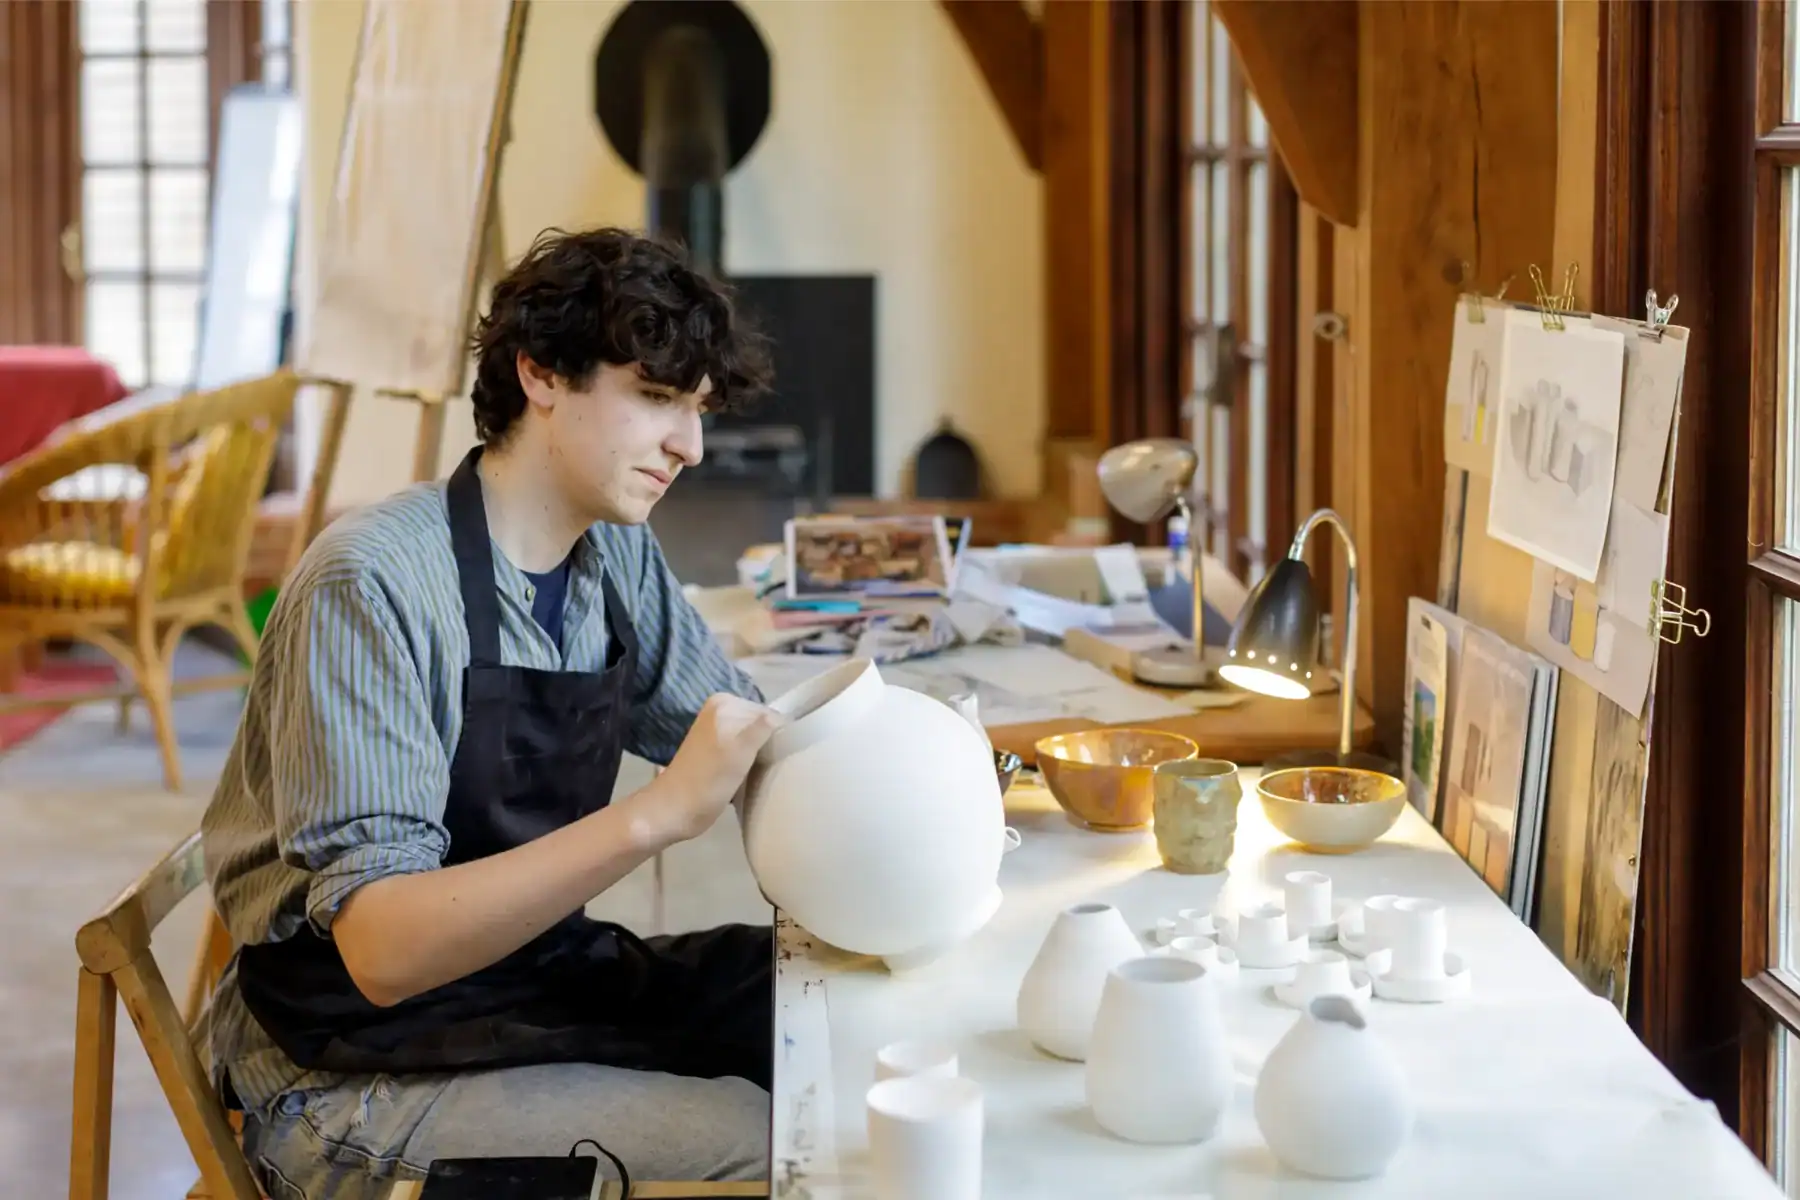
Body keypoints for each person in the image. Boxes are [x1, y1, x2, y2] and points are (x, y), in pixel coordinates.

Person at [200, 226, 784, 1200]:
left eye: (697, 410)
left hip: (518, 980)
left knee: (813, 1012)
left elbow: (740, 731)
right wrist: (649, 819)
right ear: (542, 374)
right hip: (352, 1065)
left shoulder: (615, 555)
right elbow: (383, 951)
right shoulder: (373, 583)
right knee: (780, 1139)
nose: (689, 446)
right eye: (654, 399)